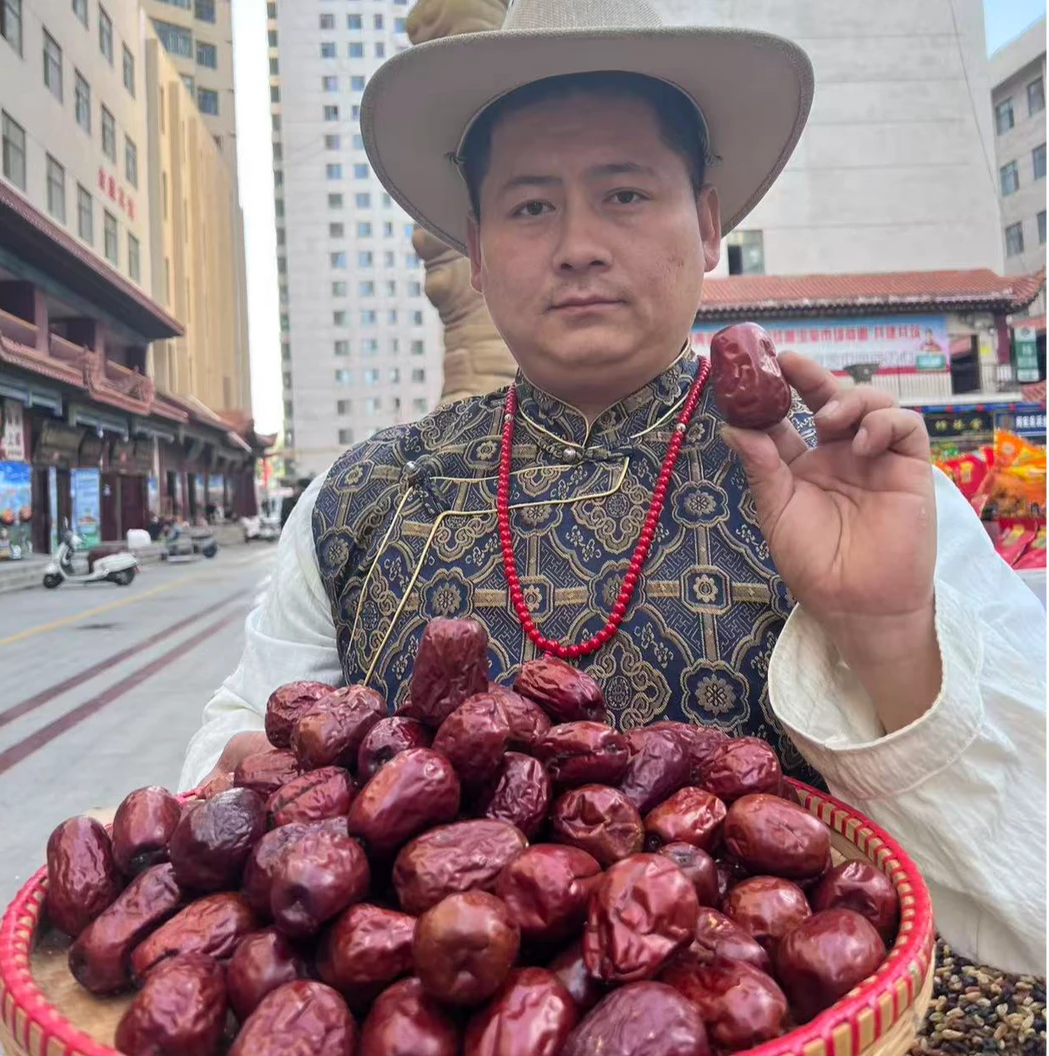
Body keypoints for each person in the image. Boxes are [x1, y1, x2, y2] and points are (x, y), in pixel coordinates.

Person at [181, 0, 1049, 976]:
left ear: (708, 224)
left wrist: (889, 637)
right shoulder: (363, 498)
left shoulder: (856, 484)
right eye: (530, 207)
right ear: (476, 246)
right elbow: (237, 741)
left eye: (626, 194)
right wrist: (246, 774)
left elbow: (1032, 905)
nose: (579, 244)